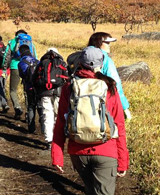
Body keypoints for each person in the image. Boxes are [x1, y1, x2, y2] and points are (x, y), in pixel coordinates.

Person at [52, 47, 129, 195]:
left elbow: (61, 122)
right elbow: (119, 124)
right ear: (101, 65)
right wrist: (122, 159)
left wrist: (57, 155)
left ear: (80, 62)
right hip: (106, 150)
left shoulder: (69, 86)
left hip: (78, 151)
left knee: (91, 189)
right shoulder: (109, 86)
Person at [67, 32, 131, 120]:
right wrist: (124, 106)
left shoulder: (83, 56)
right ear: (99, 43)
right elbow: (116, 83)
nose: (109, 45)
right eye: (107, 43)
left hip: (78, 105)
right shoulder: (105, 59)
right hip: (101, 103)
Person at [35, 48, 67, 149]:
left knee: (47, 115)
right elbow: (67, 77)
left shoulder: (42, 63)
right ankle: (59, 139)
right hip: (59, 93)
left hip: (45, 93)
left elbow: (34, 78)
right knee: (59, 115)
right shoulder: (61, 62)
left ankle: (49, 139)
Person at [5, 29, 37, 119]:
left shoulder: (12, 42)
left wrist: (5, 68)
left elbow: (6, 56)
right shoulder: (30, 42)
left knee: (12, 90)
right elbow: (34, 56)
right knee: (27, 89)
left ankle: (17, 107)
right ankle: (28, 112)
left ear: (16, 35)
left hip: (15, 67)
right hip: (28, 67)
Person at [17, 45, 40, 133]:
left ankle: (31, 127)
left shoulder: (21, 63)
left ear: (21, 52)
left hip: (29, 87)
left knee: (31, 107)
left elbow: (22, 76)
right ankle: (43, 126)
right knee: (40, 106)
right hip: (38, 87)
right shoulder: (37, 61)